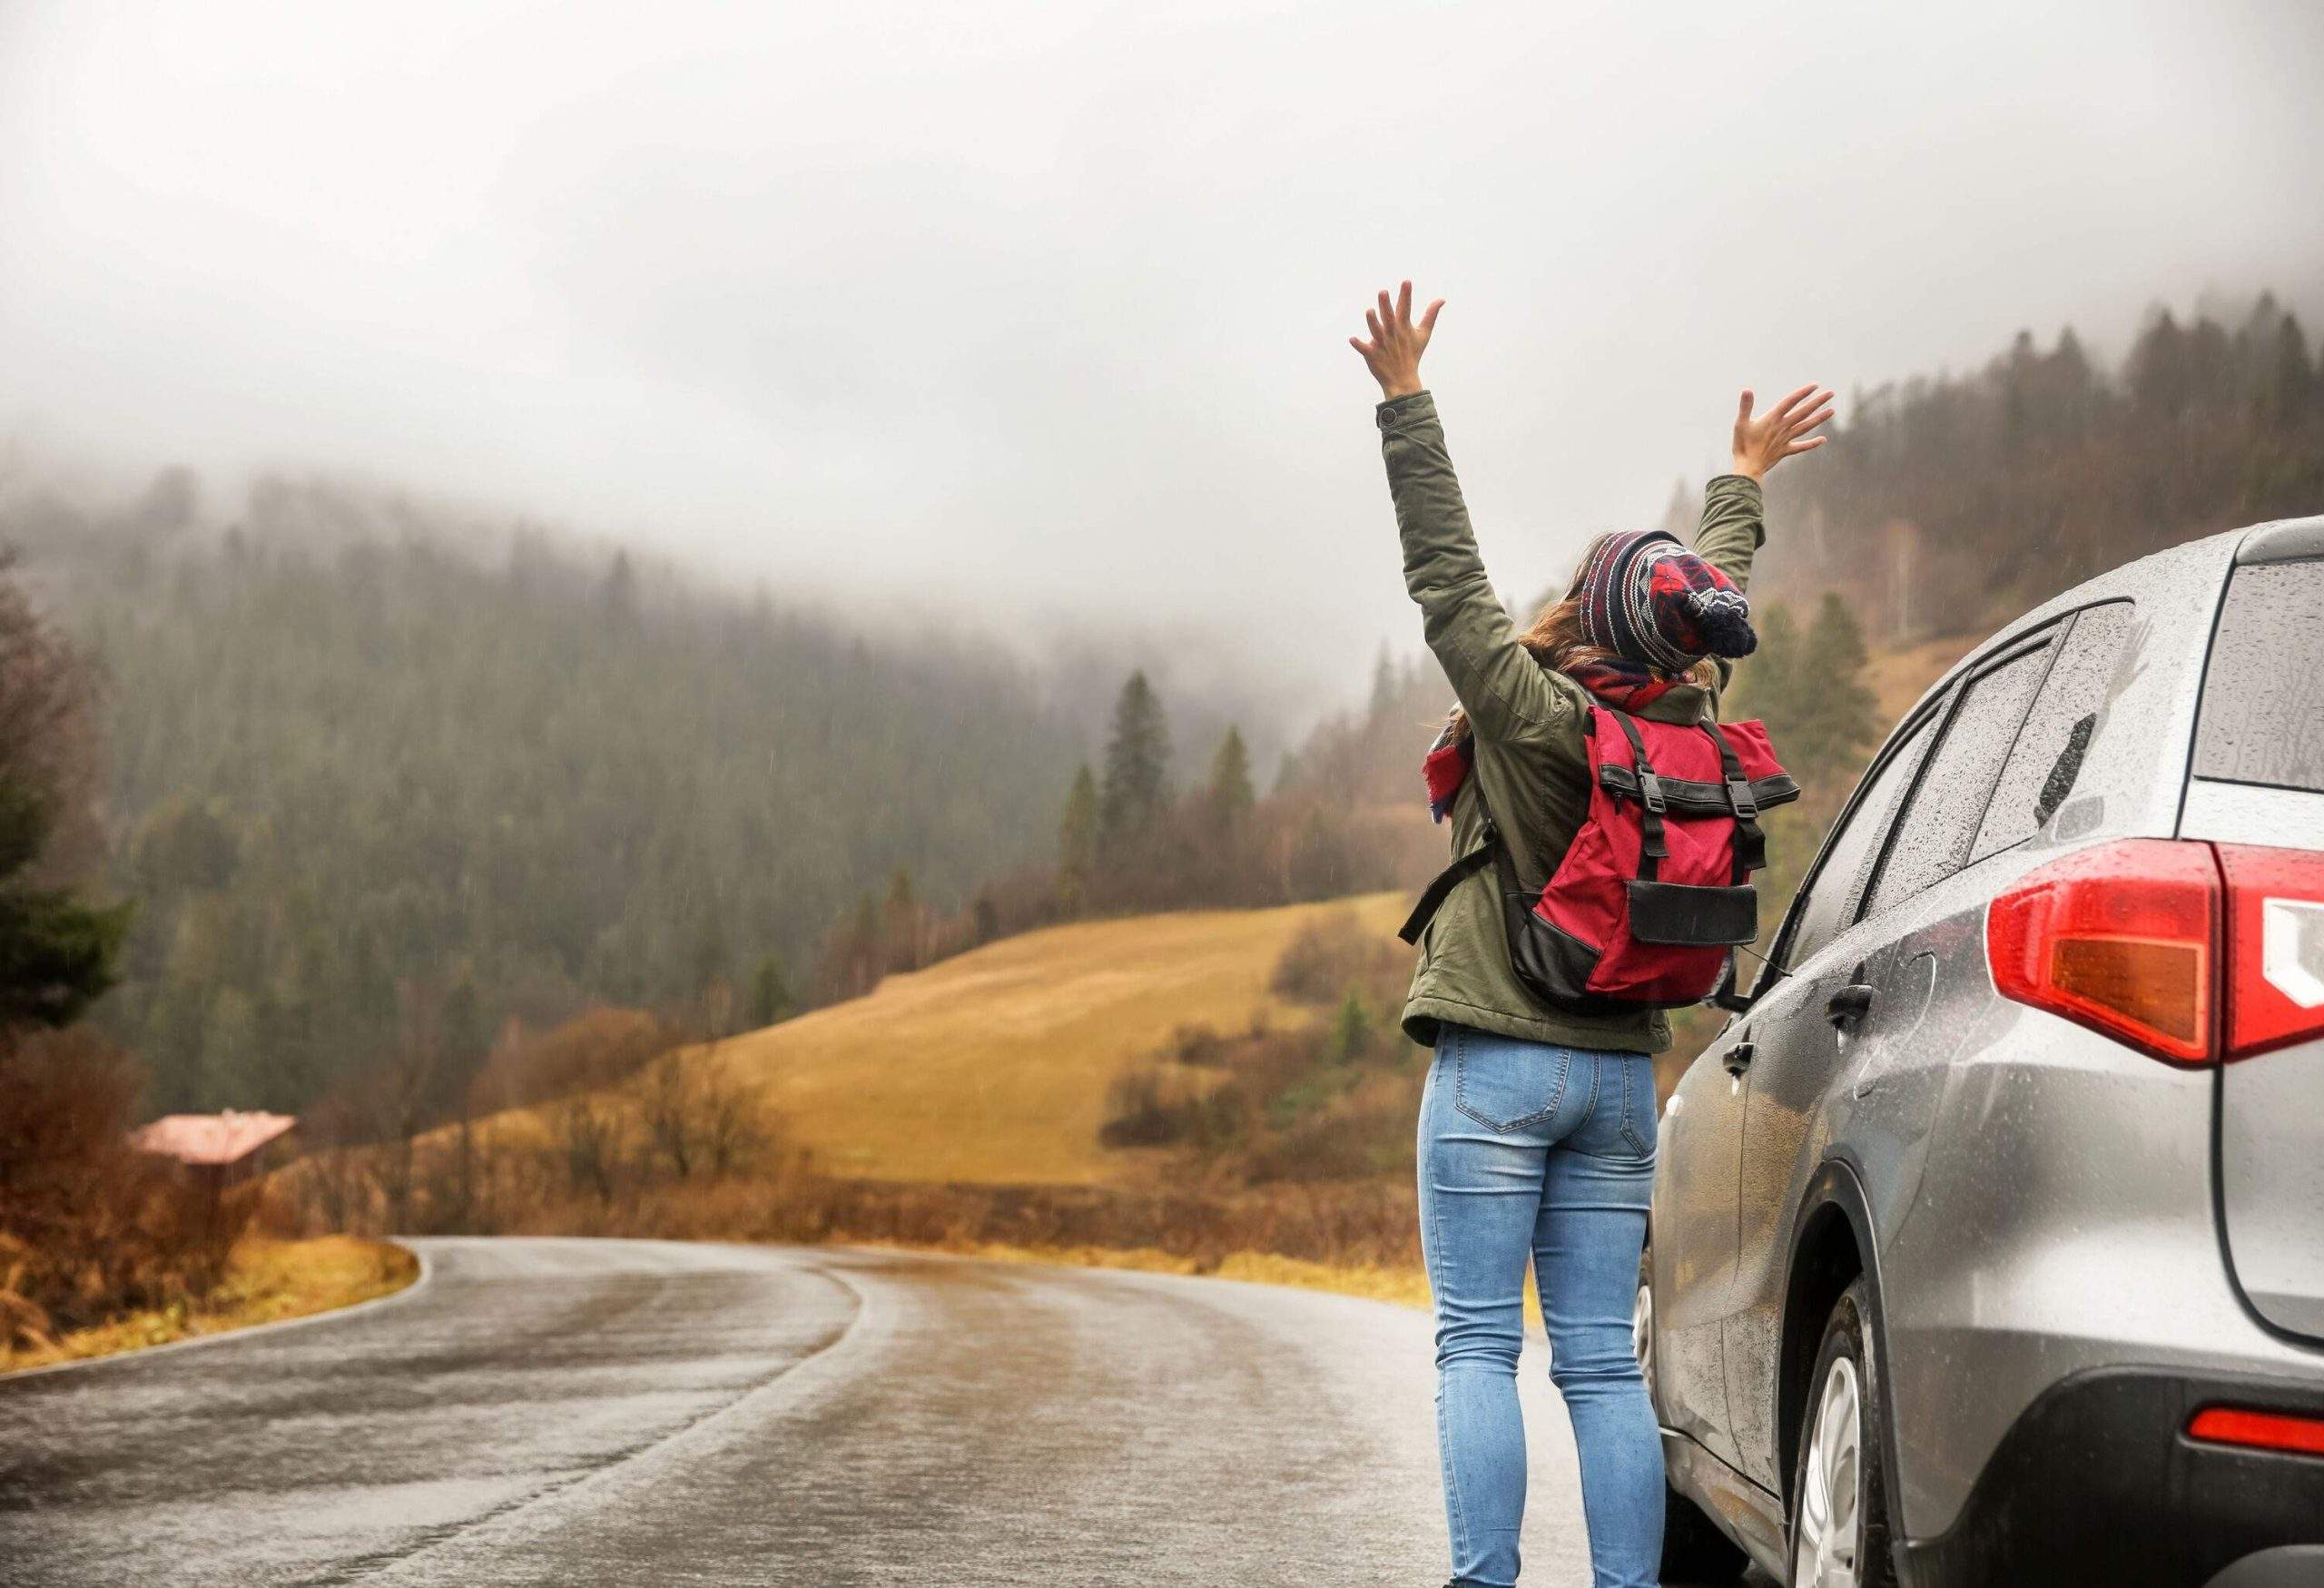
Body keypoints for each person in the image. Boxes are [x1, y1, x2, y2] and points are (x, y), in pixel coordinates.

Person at [1349, 281, 1832, 1588]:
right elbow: (1710, 595)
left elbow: (1446, 575)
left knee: (1472, 1346)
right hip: (1623, 1073)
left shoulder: (1534, 714)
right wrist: (1743, 483)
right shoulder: (1692, 727)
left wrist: (1406, 404)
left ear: (1591, 614)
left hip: (1500, 1065)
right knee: (1602, 1362)